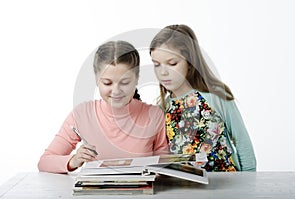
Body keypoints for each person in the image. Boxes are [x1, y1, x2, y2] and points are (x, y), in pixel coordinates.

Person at [38, 40, 169, 173]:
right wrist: (74, 161)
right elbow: (44, 162)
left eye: (125, 82)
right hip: (95, 193)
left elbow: (165, 167)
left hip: (142, 192)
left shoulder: (154, 115)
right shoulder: (82, 114)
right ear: (97, 80)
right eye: (107, 83)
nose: (116, 91)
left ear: (136, 79)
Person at [149, 24, 256, 171]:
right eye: (156, 65)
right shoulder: (163, 107)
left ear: (190, 62)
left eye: (172, 63)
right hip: (186, 191)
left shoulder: (216, 95)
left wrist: (249, 188)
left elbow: (243, 144)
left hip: (229, 188)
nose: (163, 72)